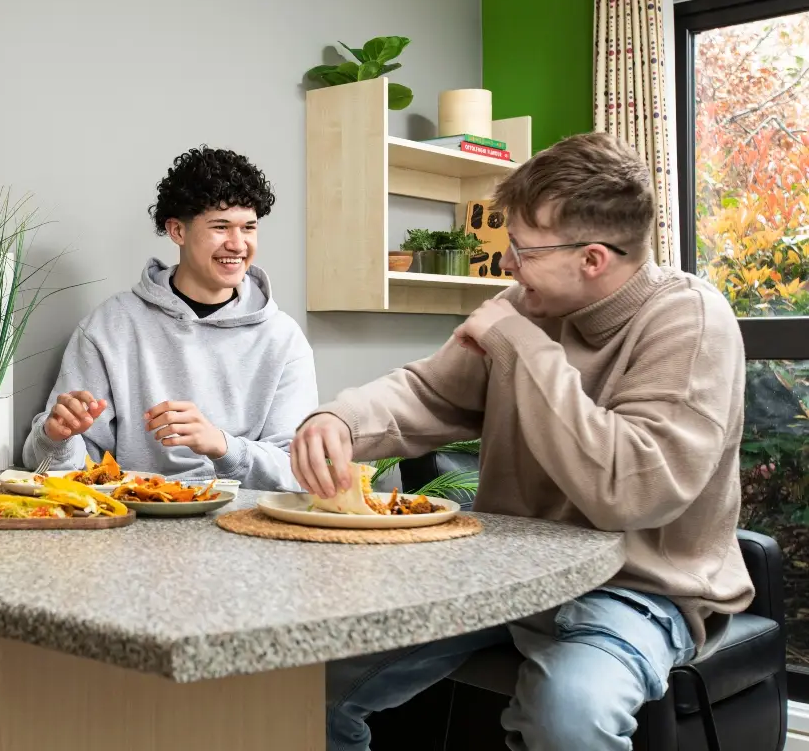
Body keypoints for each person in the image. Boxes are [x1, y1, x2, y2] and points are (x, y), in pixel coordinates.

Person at [291, 132, 755, 750]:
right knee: (309, 679)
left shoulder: (689, 322)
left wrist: (522, 344)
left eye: (521, 249)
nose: (506, 264)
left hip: (637, 587)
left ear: (592, 259)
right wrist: (340, 420)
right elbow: (432, 393)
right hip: (504, 576)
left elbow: (632, 489)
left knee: (569, 712)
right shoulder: (525, 307)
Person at [23, 146, 318, 490]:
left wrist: (221, 445)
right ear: (177, 231)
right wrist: (55, 437)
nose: (238, 244)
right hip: (137, 519)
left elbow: (297, 471)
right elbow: (68, 468)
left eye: (248, 228)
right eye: (221, 227)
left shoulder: (283, 338)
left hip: (249, 523)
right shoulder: (111, 326)